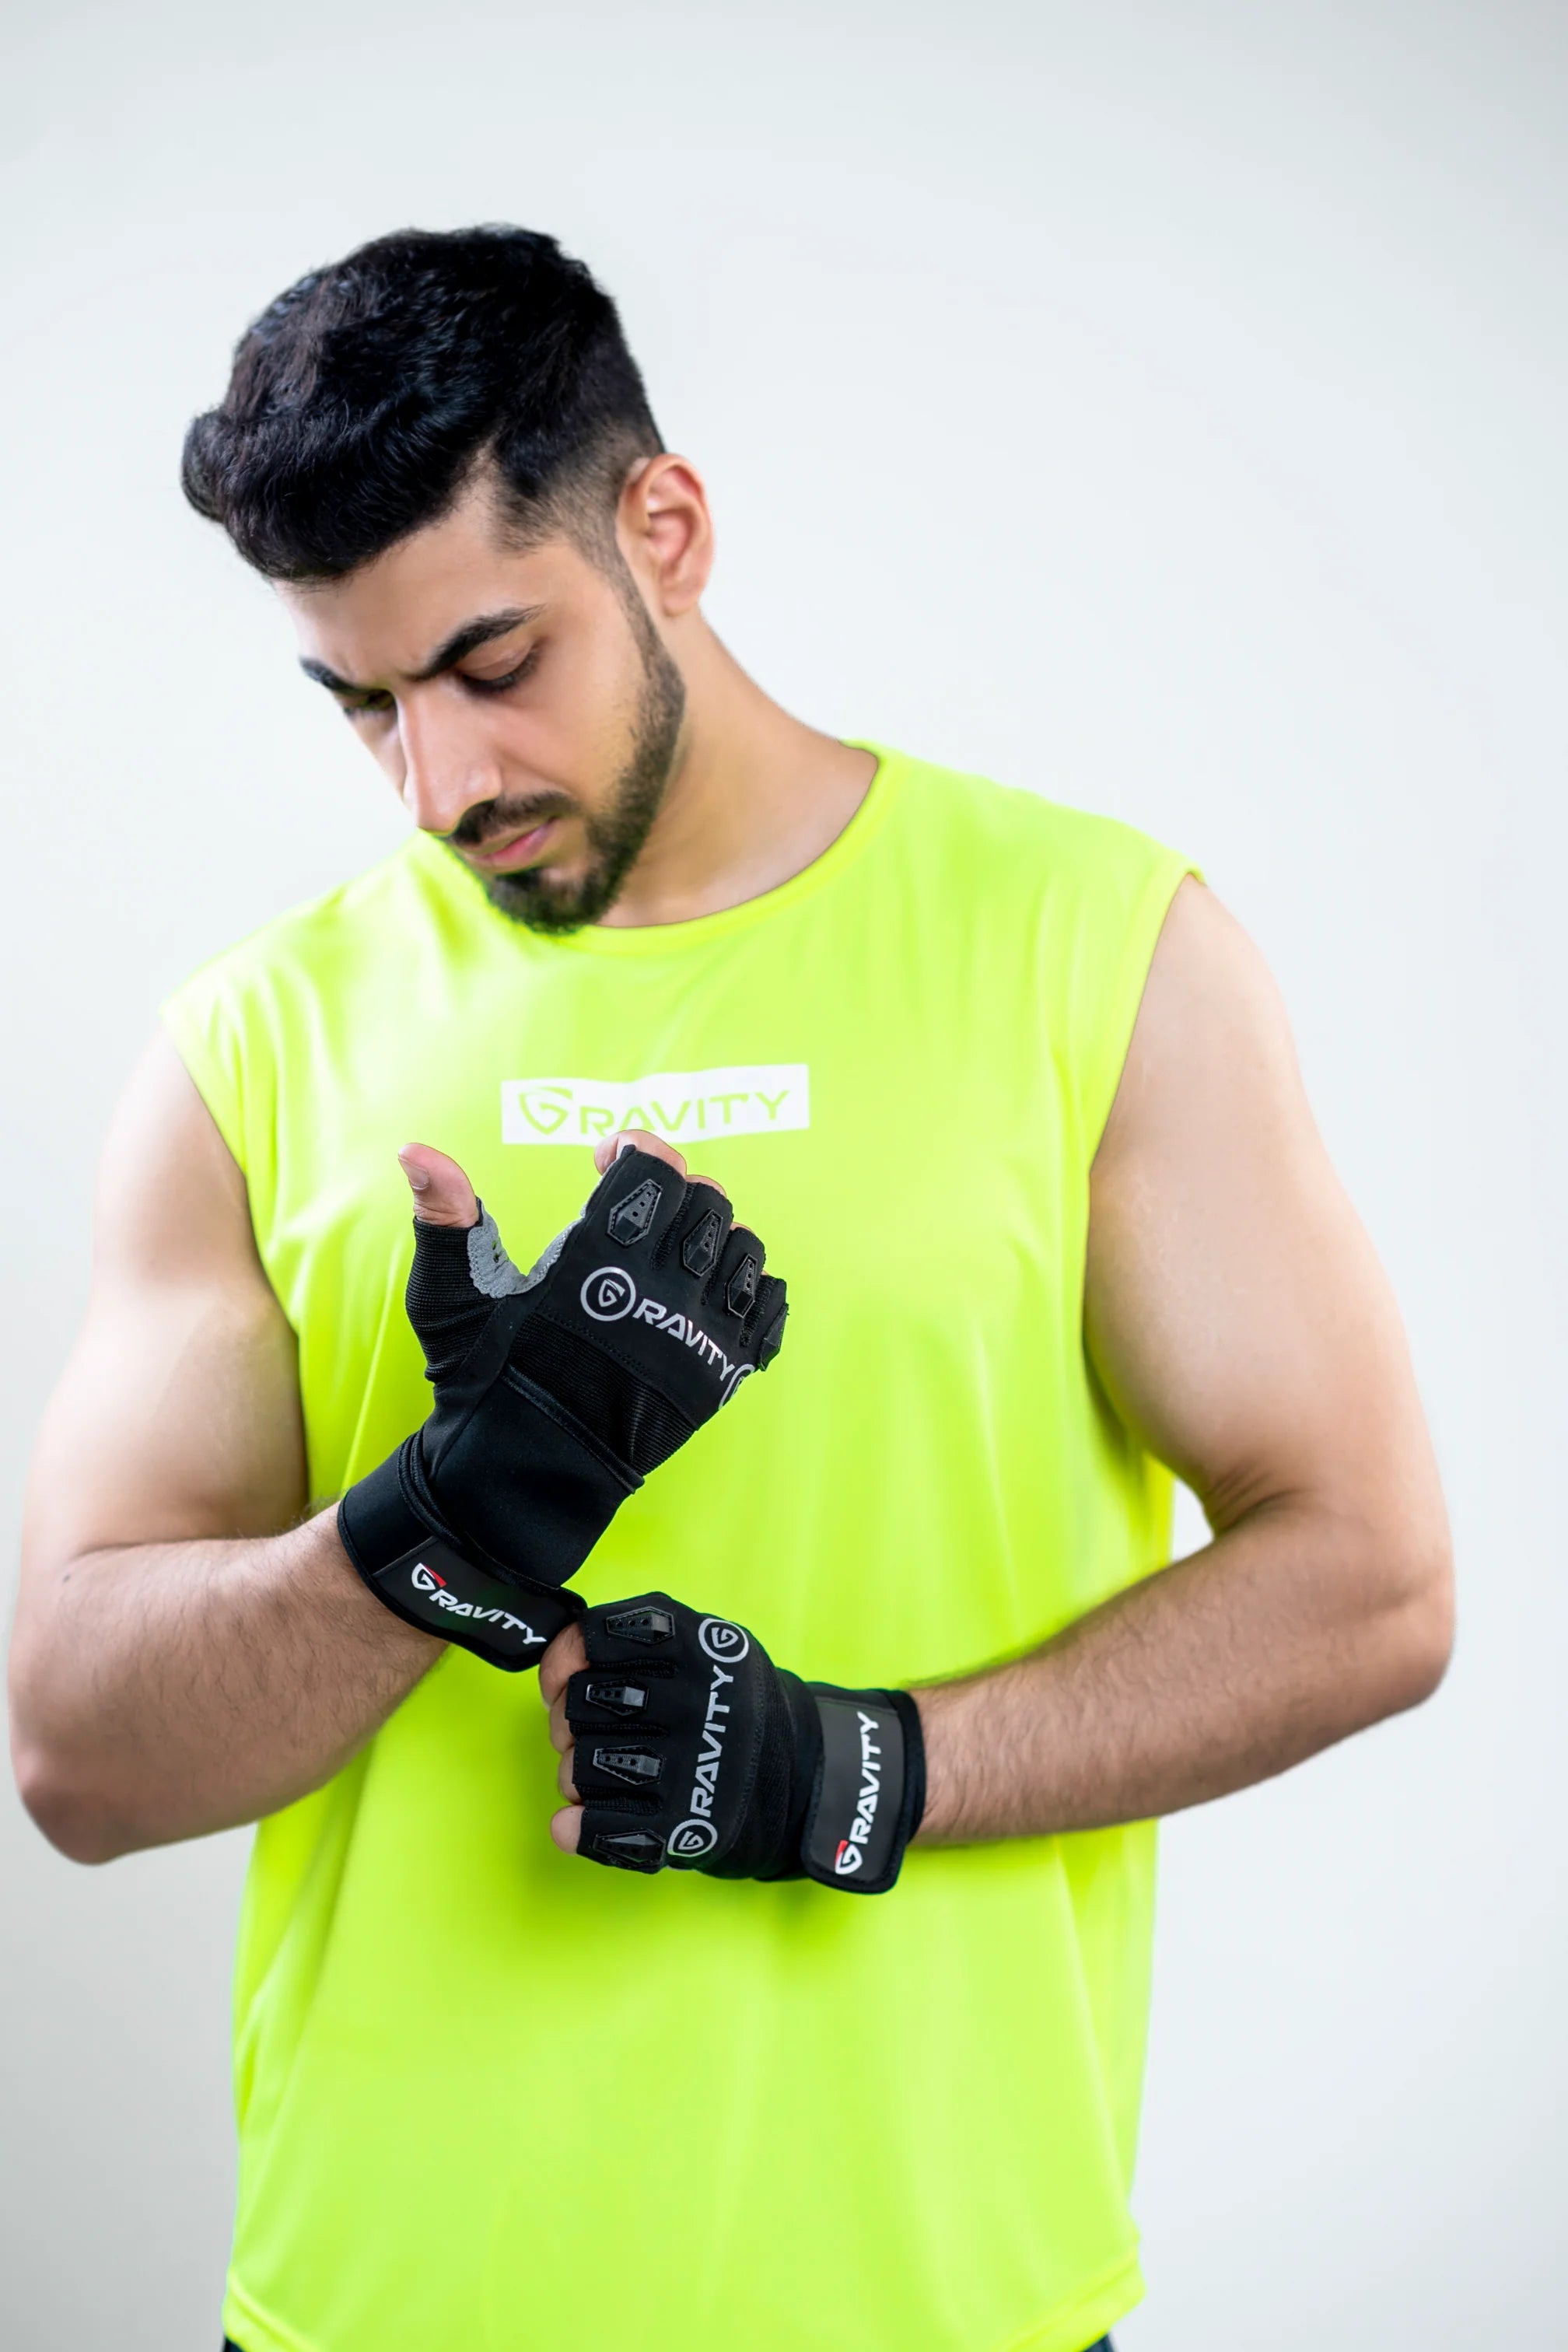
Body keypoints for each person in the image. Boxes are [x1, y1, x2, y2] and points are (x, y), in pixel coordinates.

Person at [8, 226, 1453, 2352]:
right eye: (367, 708)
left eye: (494, 666)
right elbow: (78, 1755)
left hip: (943, 2306)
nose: (445, 787)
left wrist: (861, 1769)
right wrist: (441, 1528)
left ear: (663, 529)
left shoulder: (1095, 953)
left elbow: (1377, 1587)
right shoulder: (257, 1049)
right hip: (380, 2305)